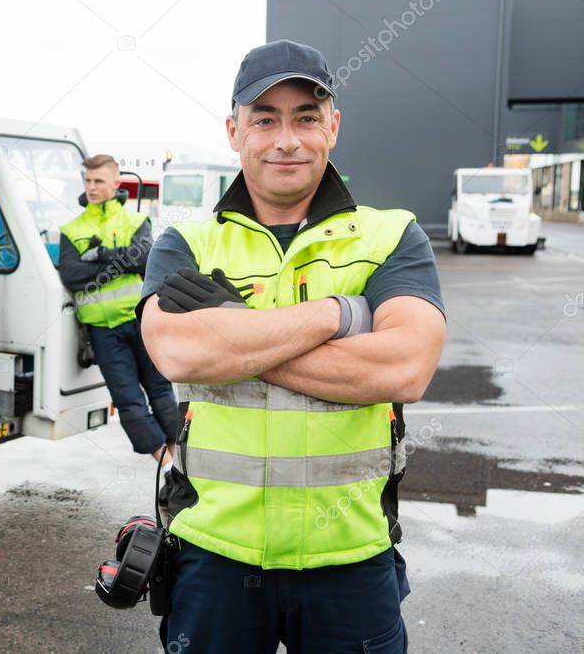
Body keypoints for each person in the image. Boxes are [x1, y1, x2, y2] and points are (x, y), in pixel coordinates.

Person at [138, 40, 446, 652]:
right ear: (234, 131)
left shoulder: (392, 234)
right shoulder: (188, 242)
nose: (287, 139)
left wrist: (231, 328)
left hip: (352, 559)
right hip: (214, 557)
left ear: (333, 126)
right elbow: (178, 355)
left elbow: (406, 366)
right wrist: (343, 313)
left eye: (306, 117)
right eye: (265, 119)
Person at [57, 154, 178, 466]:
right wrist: (118, 264)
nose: (92, 187)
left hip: (140, 321)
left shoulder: (136, 221)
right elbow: (71, 275)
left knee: (161, 393)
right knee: (129, 402)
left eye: (99, 181)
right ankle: (167, 468)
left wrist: (100, 256)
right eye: (88, 181)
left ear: (115, 183)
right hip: (102, 330)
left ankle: (183, 465)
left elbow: (144, 259)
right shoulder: (72, 228)